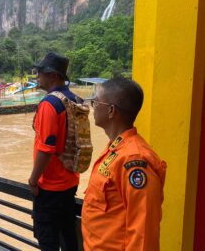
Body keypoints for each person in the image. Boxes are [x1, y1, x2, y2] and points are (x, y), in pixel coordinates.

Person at [81, 78, 167, 250]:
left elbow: (143, 233)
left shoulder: (135, 161)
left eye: (96, 101)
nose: (93, 106)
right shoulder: (115, 148)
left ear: (111, 111)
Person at [29, 52, 80, 251]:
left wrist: (34, 180)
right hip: (70, 181)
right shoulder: (75, 99)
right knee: (68, 235)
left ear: (52, 75)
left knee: (48, 241)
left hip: (50, 187)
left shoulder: (50, 104)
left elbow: (46, 148)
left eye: (40, 72)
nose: (37, 76)